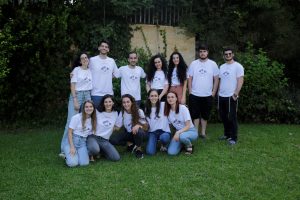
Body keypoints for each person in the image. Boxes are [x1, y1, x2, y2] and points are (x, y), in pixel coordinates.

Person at [59, 53, 92, 158]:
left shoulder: (91, 70)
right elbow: (72, 85)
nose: (84, 59)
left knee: (87, 120)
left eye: (86, 57)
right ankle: (64, 149)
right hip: (77, 94)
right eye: (82, 58)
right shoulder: (76, 70)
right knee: (70, 121)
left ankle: (83, 147)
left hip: (87, 94)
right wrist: (75, 100)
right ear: (79, 61)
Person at [188, 44, 219, 138]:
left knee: (205, 115)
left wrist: (213, 92)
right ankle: (196, 133)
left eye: (204, 51)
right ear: (198, 53)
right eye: (201, 51)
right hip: (195, 94)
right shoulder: (193, 64)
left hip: (208, 94)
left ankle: (203, 133)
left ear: (207, 52)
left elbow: (216, 79)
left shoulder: (213, 64)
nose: (202, 53)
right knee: (195, 115)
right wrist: (190, 91)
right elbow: (190, 78)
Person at [218, 47, 244, 145]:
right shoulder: (222, 67)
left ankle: (233, 138)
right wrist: (218, 93)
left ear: (233, 54)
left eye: (230, 54)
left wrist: (236, 93)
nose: (228, 55)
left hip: (231, 96)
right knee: (223, 116)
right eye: (226, 54)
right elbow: (220, 80)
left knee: (232, 117)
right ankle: (227, 134)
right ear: (224, 56)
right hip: (222, 95)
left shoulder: (238, 66)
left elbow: (240, 80)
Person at [111, 94, 148, 159]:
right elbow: (118, 127)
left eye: (128, 102)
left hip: (140, 134)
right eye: (124, 102)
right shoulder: (122, 112)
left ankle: (139, 149)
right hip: (130, 134)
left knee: (138, 131)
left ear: (132, 102)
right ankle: (131, 144)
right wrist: (108, 129)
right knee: (113, 140)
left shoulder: (139, 111)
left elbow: (146, 127)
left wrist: (138, 125)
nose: (126, 104)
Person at [87, 94, 120, 161]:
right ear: (103, 103)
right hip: (93, 137)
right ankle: (91, 152)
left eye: (110, 102)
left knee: (116, 158)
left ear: (113, 103)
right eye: (106, 102)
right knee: (95, 149)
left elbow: (117, 126)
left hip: (104, 140)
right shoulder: (97, 111)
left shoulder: (116, 113)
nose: (108, 104)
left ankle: (101, 151)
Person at [64, 100, 97, 167]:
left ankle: (76, 155)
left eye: (91, 106)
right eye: (86, 107)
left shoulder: (93, 120)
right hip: (73, 141)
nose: (89, 108)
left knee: (84, 163)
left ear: (93, 108)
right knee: (73, 164)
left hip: (82, 143)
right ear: (83, 108)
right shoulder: (76, 117)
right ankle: (66, 156)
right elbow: (70, 132)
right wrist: (72, 147)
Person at [164, 91, 198, 155]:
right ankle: (182, 144)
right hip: (179, 133)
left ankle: (189, 146)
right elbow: (170, 127)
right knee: (171, 153)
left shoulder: (183, 108)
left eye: (172, 97)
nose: (170, 99)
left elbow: (188, 126)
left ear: (176, 98)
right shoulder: (168, 111)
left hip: (190, 131)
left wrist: (178, 132)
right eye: (168, 97)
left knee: (182, 136)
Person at [89, 39, 119, 108]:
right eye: (102, 46)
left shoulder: (111, 61)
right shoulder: (92, 60)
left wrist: (108, 76)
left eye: (106, 47)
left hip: (109, 93)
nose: (104, 48)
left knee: (108, 115)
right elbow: (85, 71)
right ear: (99, 48)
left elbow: (116, 74)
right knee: (96, 116)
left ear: (108, 49)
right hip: (96, 93)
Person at [145, 89, 171, 155]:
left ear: (158, 96)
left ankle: (165, 144)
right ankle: (155, 142)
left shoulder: (164, 105)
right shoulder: (147, 109)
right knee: (150, 152)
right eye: (152, 96)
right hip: (153, 133)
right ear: (148, 97)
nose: (154, 98)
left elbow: (174, 104)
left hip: (164, 131)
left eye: (155, 96)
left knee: (164, 137)